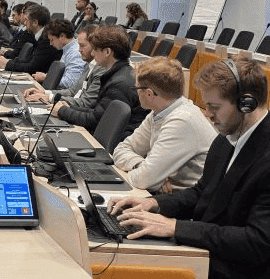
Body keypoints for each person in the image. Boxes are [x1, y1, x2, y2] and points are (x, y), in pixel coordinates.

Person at [111, 58, 270, 279]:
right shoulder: (227, 138)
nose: (208, 114)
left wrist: (176, 228)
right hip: (207, 253)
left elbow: (258, 241)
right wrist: (154, 203)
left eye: (214, 107)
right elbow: (201, 192)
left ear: (247, 104)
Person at [112, 57, 216, 193]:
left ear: (149, 94)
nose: (136, 92)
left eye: (136, 88)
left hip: (187, 202)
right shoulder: (159, 112)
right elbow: (121, 149)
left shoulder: (182, 120)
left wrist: (150, 176)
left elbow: (142, 180)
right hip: (168, 195)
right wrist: (140, 165)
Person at [54, 26, 147, 138]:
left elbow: (96, 120)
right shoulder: (120, 73)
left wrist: (63, 111)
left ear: (107, 52)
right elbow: (98, 112)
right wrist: (70, 108)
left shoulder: (119, 84)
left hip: (114, 143)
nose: (92, 54)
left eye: (95, 50)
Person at [23, 26, 102, 108]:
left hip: (74, 109)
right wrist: (45, 92)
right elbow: (72, 91)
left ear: (95, 46)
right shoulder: (89, 65)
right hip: (70, 105)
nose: (79, 49)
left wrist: (49, 97)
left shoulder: (99, 70)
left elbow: (85, 102)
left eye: (82, 45)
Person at [0, 5, 60, 76]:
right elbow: (29, 61)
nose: (24, 23)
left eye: (26, 20)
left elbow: (32, 67)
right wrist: (8, 62)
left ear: (35, 22)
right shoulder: (39, 36)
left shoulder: (46, 40)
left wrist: (7, 64)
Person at [33, 18, 86, 89]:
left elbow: (71, 83)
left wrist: (46, 77)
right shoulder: (68, 49)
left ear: (62, 36)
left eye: (52, 40)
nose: (51, 44)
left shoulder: (75, 53)